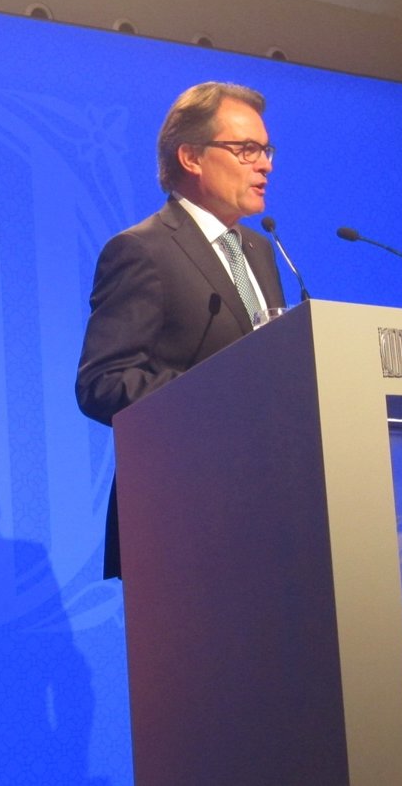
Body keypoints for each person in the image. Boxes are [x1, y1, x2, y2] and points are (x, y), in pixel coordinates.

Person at [75, 82, 286, 579]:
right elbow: (102, 383)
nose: (265, 165)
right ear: (191, 157)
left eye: (266, 150)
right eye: (247, 149)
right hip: (180, 516)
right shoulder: (142, 250)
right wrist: (217, 395)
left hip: (268, 508)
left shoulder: (259, 250)